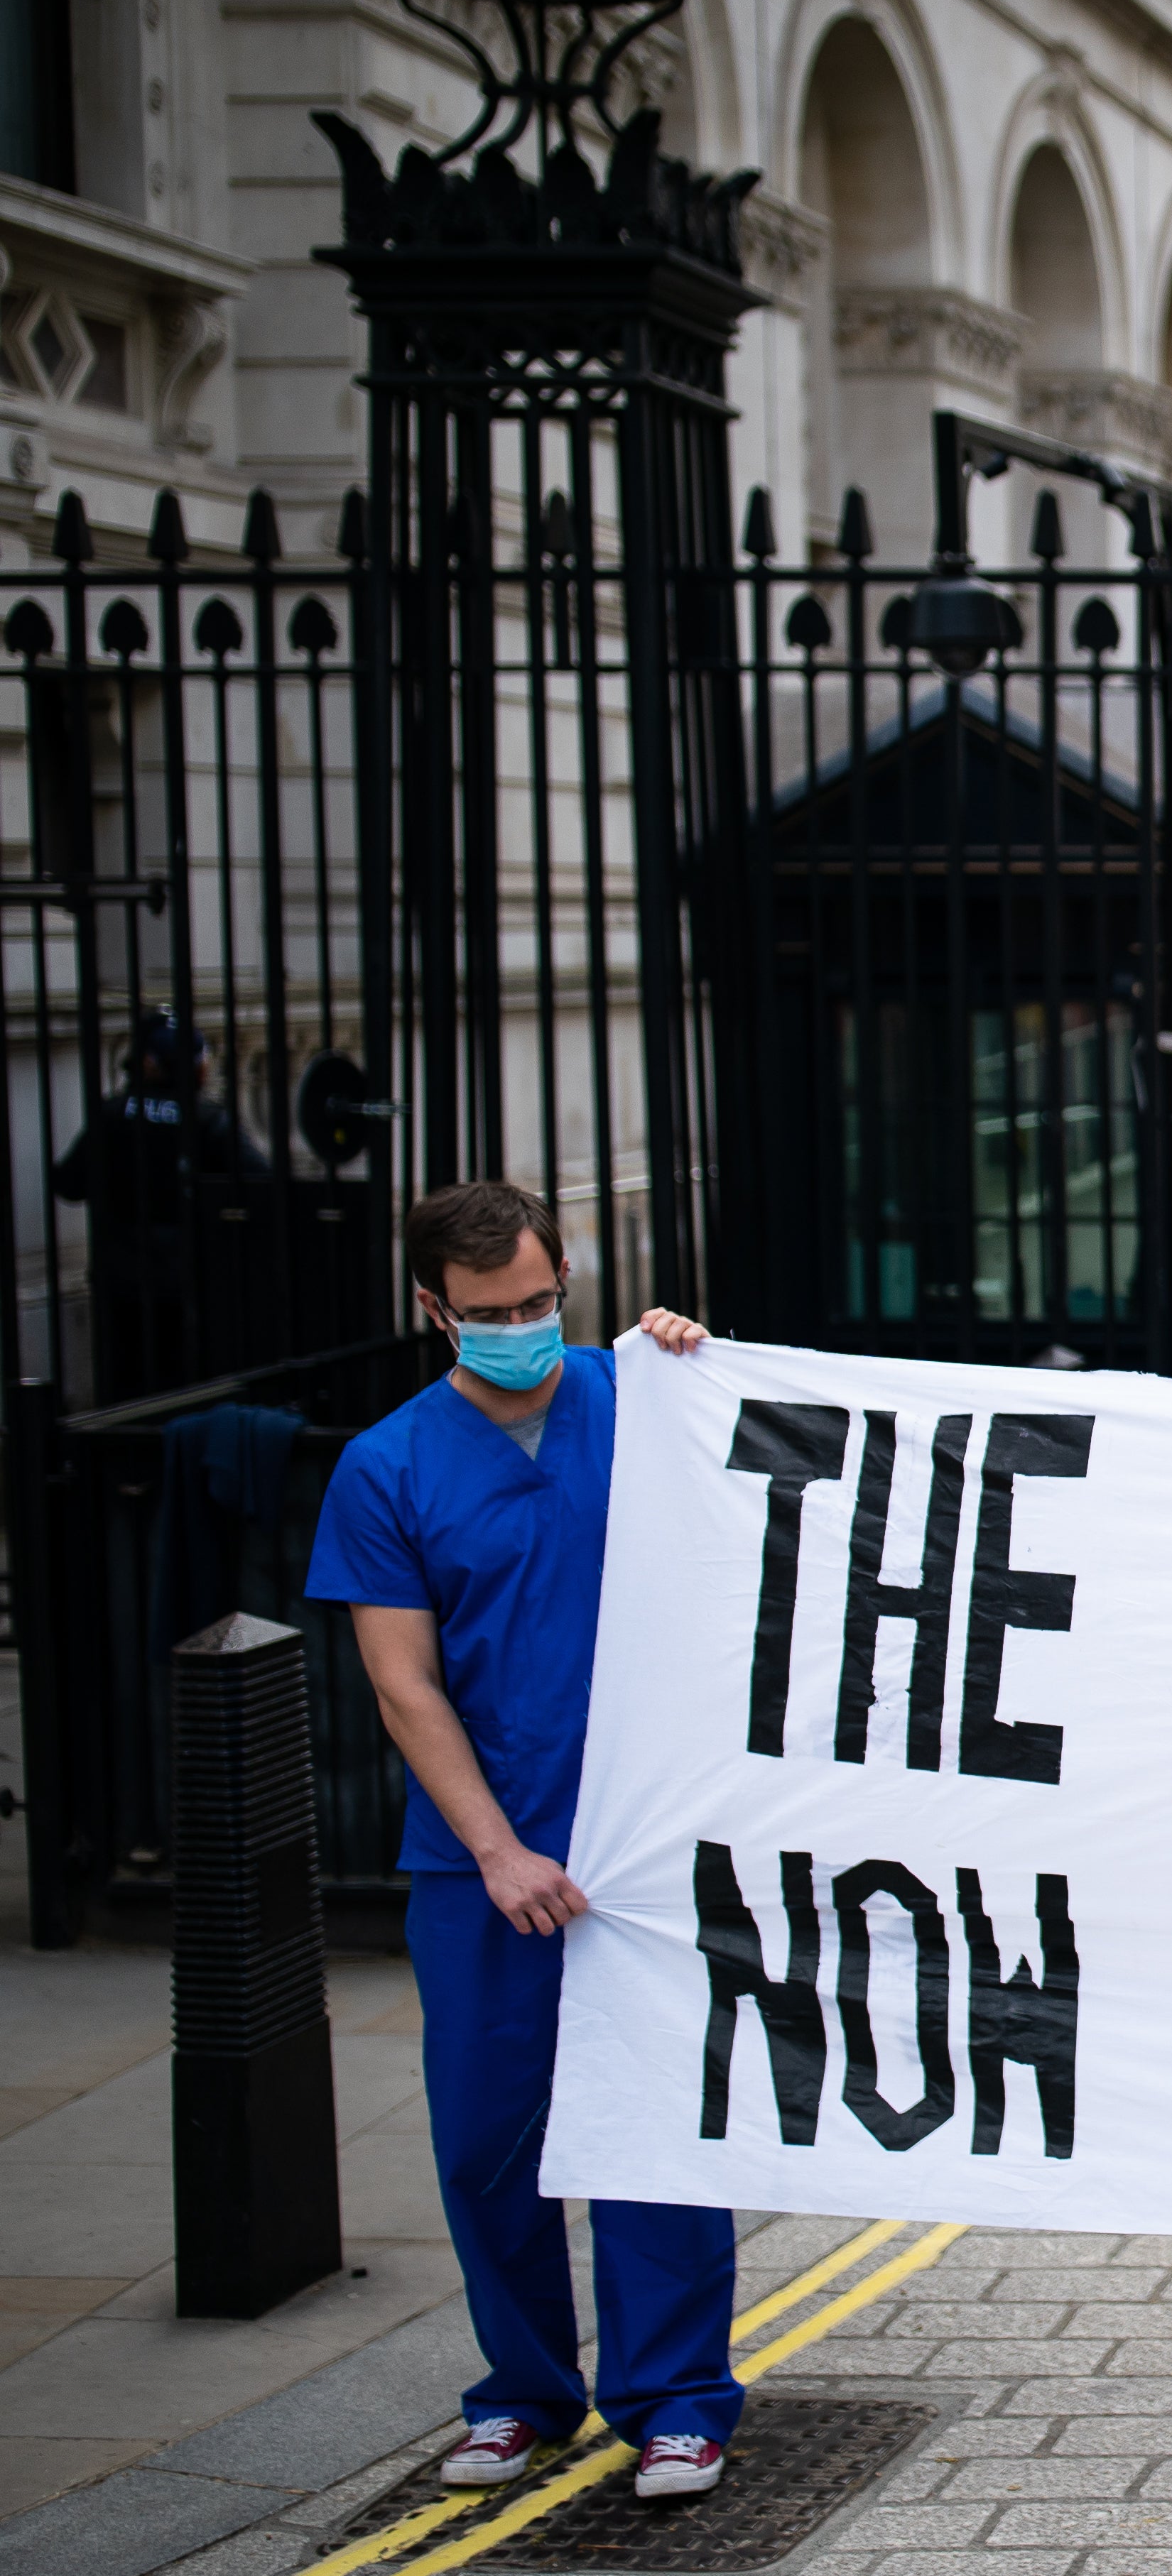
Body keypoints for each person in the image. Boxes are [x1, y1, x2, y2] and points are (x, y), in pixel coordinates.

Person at [305, 1181, 739, 2500]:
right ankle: (524, 2395)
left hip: (649, 1843)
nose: (524, 1328)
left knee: (658, 2128)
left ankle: (675, 2401)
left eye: (544, 1303)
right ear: (432, 1309)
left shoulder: (644, 1405)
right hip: (485, 1858)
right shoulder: (389, 1465)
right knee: (491, 2136)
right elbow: (404, 1684)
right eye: (490, 1313)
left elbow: (785, 1516)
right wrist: (496, 1851)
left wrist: (703, 1367)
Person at [53, 1008, 268, 1402]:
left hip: (120, 1278)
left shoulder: (113, 1114)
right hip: (189, 1278)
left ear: (145, 1061)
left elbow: (68, 1184)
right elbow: (259, 1183)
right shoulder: (207, 1119)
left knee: (125, 1391)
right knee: (186, 1390)